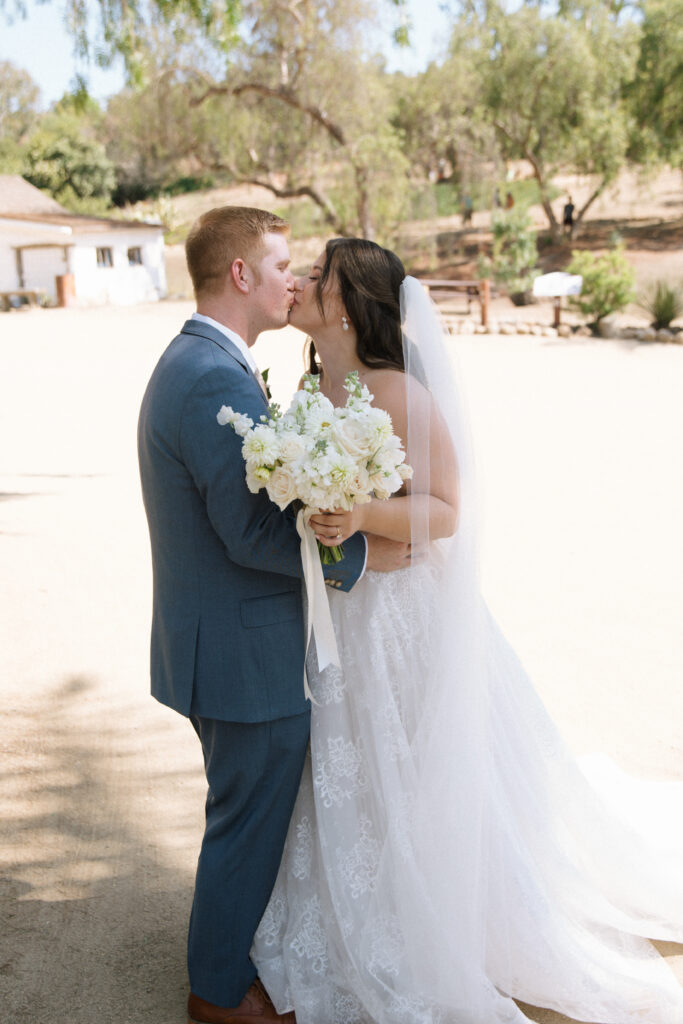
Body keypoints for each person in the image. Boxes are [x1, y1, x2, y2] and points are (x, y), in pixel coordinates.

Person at [250, 237, 683, 1024]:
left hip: (401, 618)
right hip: (342, 608)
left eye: (320, 275)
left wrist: (362, 515)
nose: (305, 283)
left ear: (346, 304)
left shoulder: (400, 392)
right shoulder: (309, 388)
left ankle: (439, 908)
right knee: (352, 764)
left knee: (419, 760)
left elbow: (446, 511)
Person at [137, 209, 410, 1024]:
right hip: (240, 653)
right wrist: (365, 555)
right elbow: (253, 533)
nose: (295, 279)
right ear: (242, 276)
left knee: (246, 813)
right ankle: (217, 993)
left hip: (221, 642)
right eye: (283, 264)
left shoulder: (207, 362)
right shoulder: (214, 376)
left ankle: (234, 963)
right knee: (244, 823)